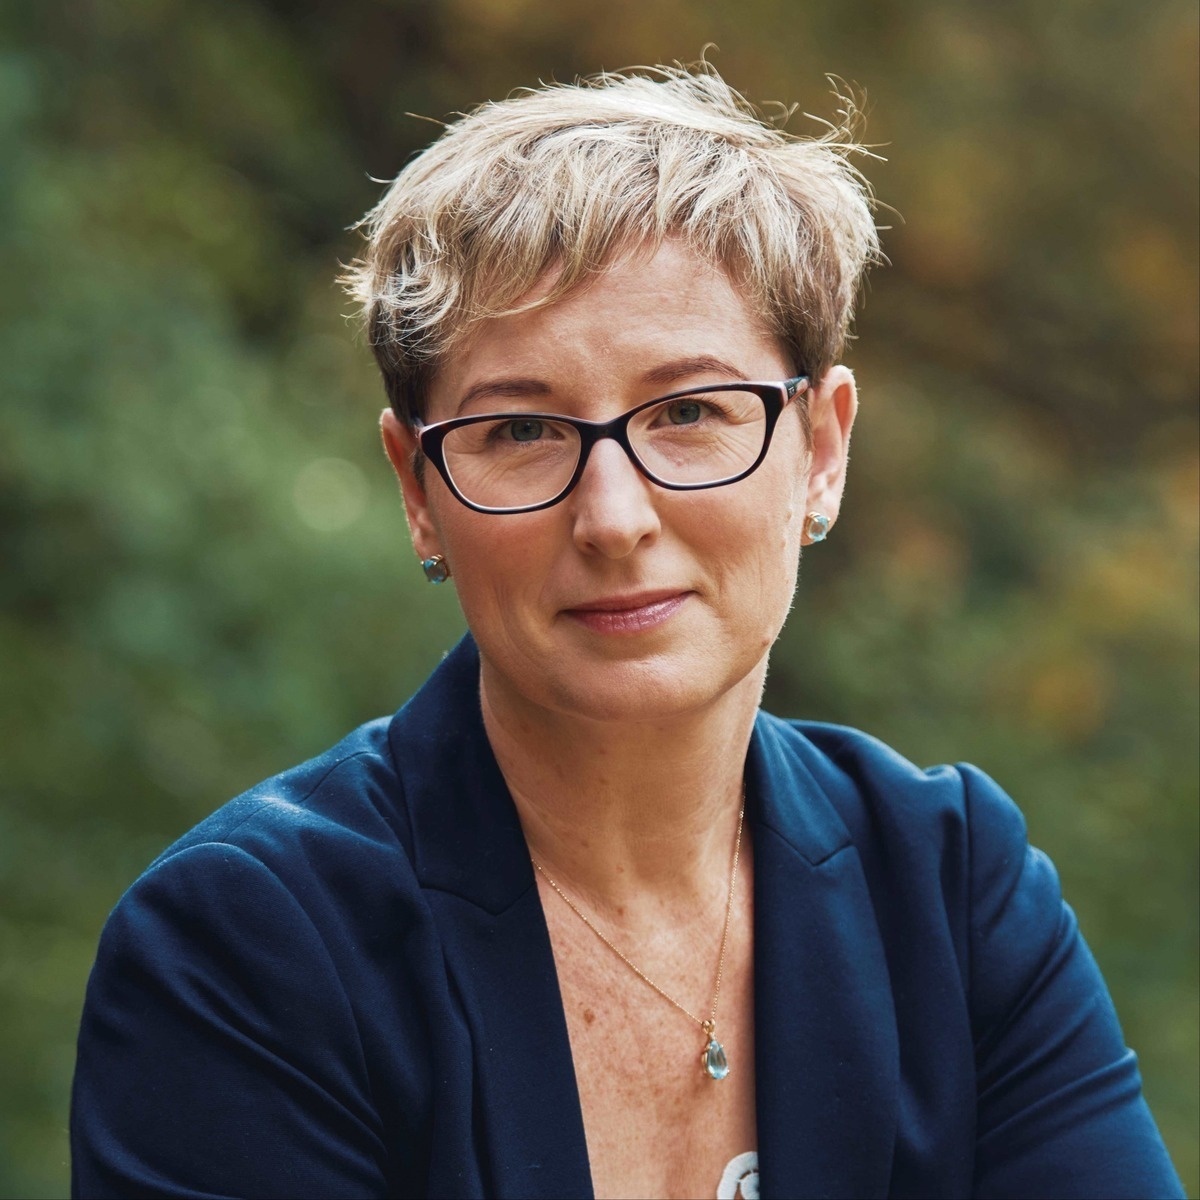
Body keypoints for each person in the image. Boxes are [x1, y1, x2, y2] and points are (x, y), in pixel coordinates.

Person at [71, 64, 1184, 1200]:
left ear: (823, 449)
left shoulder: (950, 890)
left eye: (690, 411)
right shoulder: (248, 947)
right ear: (418, 489)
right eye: (521, 431)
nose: (613, 518)